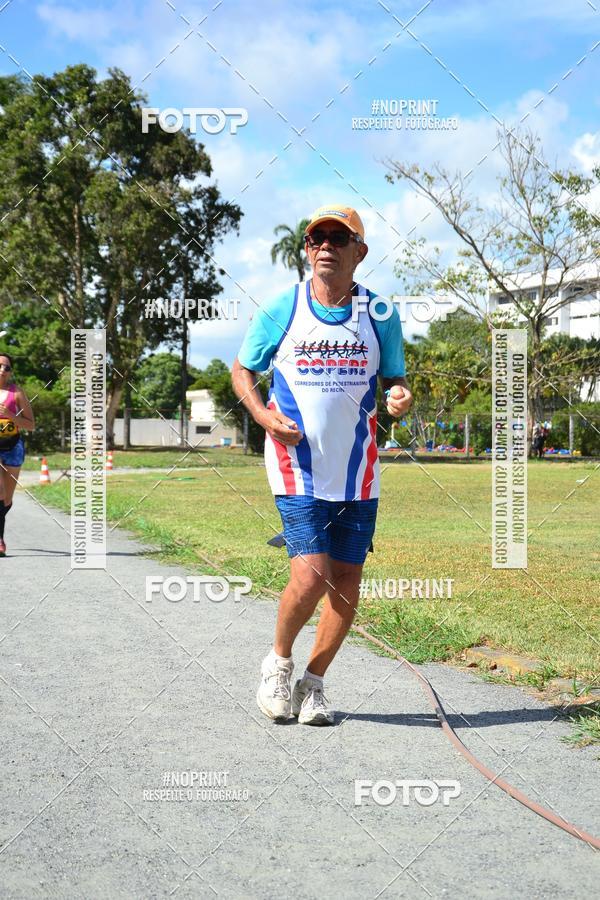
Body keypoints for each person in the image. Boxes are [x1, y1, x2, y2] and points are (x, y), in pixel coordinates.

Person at [232, 205, 412, 725]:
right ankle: (278, 665)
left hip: (358, 470)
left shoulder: (380, 315)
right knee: (311, 576)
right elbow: (243, 369)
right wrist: (264, 415)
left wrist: (400, 395)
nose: (326, 245)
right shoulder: (282, 309)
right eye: (317, 237)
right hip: (296, 465)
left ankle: (313, 684)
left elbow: (395, 380)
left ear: (361, 251)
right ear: (308, 249)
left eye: (339, 237)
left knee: (347, 581)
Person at [0, 353, 35, 556]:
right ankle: (0, 539)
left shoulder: (17, 393)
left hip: (13, 447)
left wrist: (12, 416)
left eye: (7, 367)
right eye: (1, 365)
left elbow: (31, 425)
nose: (3, 369)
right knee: (0, 493)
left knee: (6, 500)